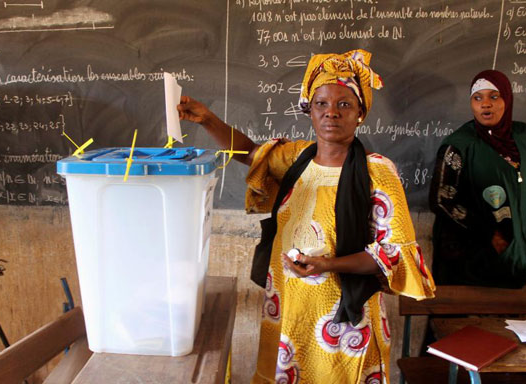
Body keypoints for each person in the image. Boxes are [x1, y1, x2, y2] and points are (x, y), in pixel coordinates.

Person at [179, 49, 435, 384]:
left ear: (360, 112)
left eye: (344, 104)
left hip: (343, 322)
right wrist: (207, 119)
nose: (332, 113)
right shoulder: (297, 159)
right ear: (310, 111)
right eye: (322, 104)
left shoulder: (377, 172)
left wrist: (329, 264)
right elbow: (251, 153)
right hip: (288, 309)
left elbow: (394, 254)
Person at [429, 69, 526, 288]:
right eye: (477, 98)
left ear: (507, 99)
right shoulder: (459, 145)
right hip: (467, 263)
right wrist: (489, 235)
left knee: (510, 321)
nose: (485, 104)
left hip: (514, 255)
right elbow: (441, 200)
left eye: (494, 96)